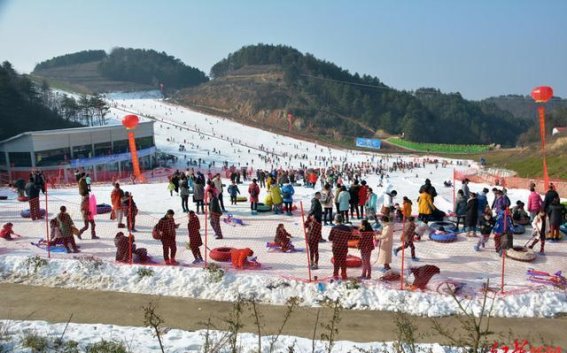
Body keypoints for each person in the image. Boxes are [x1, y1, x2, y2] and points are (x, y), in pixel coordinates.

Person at [328, 214, 352, 280]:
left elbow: (330, 238)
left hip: (336, 247)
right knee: (343, 261)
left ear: (335, 220)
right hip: (344, 247)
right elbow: (350, 237)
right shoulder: (347, 228)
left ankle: (335, 275)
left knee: (336, 261)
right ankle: (344, 275)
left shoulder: (334, 228)